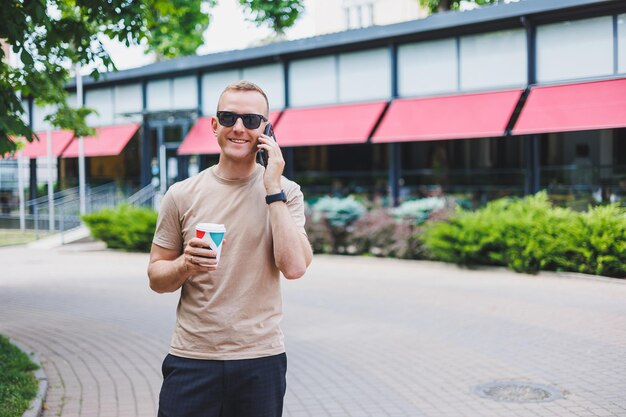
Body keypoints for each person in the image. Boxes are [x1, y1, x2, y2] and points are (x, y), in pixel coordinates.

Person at [148, 80, 313, 417]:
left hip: (260, 360)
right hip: (193, 358)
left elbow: (294, 267)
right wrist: (185, 265)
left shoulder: (287, 193)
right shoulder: (181, 194)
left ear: (266, 130)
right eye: (228, 117)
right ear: (214, 125)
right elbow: (156, 277)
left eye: (251, 120)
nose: (239, 128)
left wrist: (273, 189)